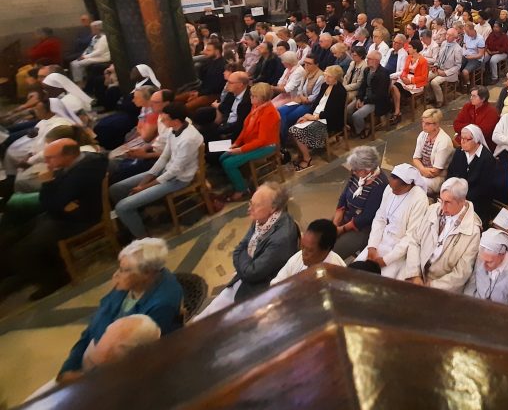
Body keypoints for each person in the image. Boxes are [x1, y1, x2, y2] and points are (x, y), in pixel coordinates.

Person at [59, 238, 182, 378]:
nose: (116, 275)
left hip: (111, 374)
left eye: (124, 270)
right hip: (91, 362)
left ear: (147, 273)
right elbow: (90, 330)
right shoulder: (127, 286)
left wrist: (84, 378)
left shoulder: (162, 305)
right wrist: (69, 367)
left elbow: (137, 361)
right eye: (120, 268)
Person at [0, 139, 107, 298]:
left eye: (50, 157)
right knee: (9, 238)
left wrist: (48, 182)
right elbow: (53, 203)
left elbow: (51, 204)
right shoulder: (76, 163)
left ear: (68, 155)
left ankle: (54, 280)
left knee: (20, 250)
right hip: (62, 215)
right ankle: (18, 276)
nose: (46, 162)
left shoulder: (83, 171)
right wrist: (57, 196)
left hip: (78, 220)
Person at [193, 183, 299, 321]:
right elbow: (239, 248)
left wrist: (243, 263)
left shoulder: (281, 238)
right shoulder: (262, 219)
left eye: (255, 205)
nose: (249, 209)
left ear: (273, 208)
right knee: (203, 318)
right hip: (245, 277)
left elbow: (252, 273)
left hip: (259, 290)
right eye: (250, 203)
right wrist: (245, 264)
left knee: (215, 323)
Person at [110, 103, 203, 238]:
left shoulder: (188, 139)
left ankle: (143, 237)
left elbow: (174, 172)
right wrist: (144, 181)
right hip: (167, 171)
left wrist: (144, 187)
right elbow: (164, 157)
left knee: (122, 207)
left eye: (165, 119)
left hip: (179, 179)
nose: (162, 121)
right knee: (116, 189)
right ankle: (138, 217)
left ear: (176, 121)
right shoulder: (173, 130)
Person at [402, 177, 482, 292]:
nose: (442, 208)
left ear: (462, 201)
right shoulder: (433, 209)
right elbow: (415, 241)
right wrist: (414, 274)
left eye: (448, 202)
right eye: (441, 200)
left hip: (442, 289)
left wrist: (431, 286)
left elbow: (462, 273)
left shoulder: (473, 231)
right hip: (417, 275)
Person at [354, 163, 429, 277]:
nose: (392, 191)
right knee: (355, 270)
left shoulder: (419, 199)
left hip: (399, 250)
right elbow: (380, 218)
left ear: (408, 186)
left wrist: (386, 260)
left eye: (396, 189)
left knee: (381, 281)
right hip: (380, 240)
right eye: (391, 186)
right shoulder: (390, 188)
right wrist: (372, 246)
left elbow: (411, 236)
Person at [217, 83, 281, 201]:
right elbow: (245, 128)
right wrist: (236, 143)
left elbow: (262, 140)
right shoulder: (256, 107)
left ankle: (242, 189)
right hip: (253, 142)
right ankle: (239, 180)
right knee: (222, 157)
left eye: (254, 96)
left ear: (263, 98)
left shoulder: (269, 113)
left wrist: (240, 149)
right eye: (251, 95)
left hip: (267, 146)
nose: (251, 97)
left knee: (228, 163)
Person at [331, 146, 388, 258]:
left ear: (367, 170)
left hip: (362, 227)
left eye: (355, 170)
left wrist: (341, 229)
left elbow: (366, 217)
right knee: (321, 236)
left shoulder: (380, 185)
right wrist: (335, 224)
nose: (353, 171)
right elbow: (343, 197)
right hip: (346, 215)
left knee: (333, 252)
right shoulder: (357, 174)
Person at [288, 66, 346, 169]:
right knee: (294, 126)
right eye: (325, 76)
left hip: (328, 121)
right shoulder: (325, 85)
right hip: (317, 116)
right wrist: (307, 116)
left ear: (336, 78)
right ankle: (303, 154)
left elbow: (331, 113)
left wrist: (313, 117)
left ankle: (307, 159)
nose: (326, 78)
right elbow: (316, 103)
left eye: (329, 77)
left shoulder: (340, 91)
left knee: (296, 131)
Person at [464, 228, 508, 307]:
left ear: (502, 255)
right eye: (482, 260)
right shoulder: (482, 257)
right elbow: (472, 284)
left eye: (489, 262)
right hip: (475, 305)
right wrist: (467, 303)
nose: (483, 266)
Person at [447, 124, 497, 225]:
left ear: (476, 140)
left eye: (467, 139)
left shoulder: (487, 159)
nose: (462, 141)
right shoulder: (459, 152)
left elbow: (485, 188)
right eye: (461, 138)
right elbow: (450, 173)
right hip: (457, 196)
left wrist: (462, 199)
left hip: (477, 201)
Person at [271, 219, 345, 285]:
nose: (303, 253)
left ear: (326, 250)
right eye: (302, 246)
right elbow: (276, 283)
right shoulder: (298, 257)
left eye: (310, 250)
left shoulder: (338, 274)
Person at [348, 50, 391, 138]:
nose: (367, 60)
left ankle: (361, 130)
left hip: (376, 101)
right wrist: (359, 98)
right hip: (365, 98)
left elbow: (380, 94)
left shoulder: (383, 73)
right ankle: (358, 127)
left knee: (357, 115)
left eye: (369, 59)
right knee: (347, 110)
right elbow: (363, 86)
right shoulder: (367, 70)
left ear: (376, 61)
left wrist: (364, 101)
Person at [411, 108, 454, 194]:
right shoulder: (423, 134)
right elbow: (415, 158)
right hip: (423, 171)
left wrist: (421, 171)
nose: (424, 125)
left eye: (427, 123)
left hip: (438, 178)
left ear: (436, 124)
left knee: (414, 186)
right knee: (403, 178)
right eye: (423, 122)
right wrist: (422, 170)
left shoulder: (444, 141)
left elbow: (436, 171)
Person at [388, 43, 428, 123]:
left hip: (416, 82)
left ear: (415, 49)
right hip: (406, 79)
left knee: (395, 87)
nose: (408, 49)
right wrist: (403, 77)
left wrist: (411, 81)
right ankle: (397, 110)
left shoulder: (423, 61)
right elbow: (404, 70)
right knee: (393, 86)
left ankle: (397, 111)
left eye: (410, 47)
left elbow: (424, 77)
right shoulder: (409, 57)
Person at [427, 28, 463, 106]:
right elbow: (439, 57)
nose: (447, 36)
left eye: (450, 35)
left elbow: (458, 66)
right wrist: (436, 65)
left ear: (455, 37)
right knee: (426, 77)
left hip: (449, 73)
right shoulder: (444, 43)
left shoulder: (458, 49)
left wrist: (445, 73)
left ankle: (440, 100)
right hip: (439, 69)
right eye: (447, 34)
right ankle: (431, 97)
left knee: (434, 82)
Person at [69, 20, 110, 86]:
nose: (91, 30)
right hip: (93, 56)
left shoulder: (104, 38)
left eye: (92, 28)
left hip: (102, 57)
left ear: (97, 29)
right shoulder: (94, 37)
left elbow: (99, 51)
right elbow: (89, 48)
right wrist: (83, 55)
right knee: (73, 63)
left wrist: (85, 57)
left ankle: (80, 83)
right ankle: (83, 80)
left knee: (76, 64)